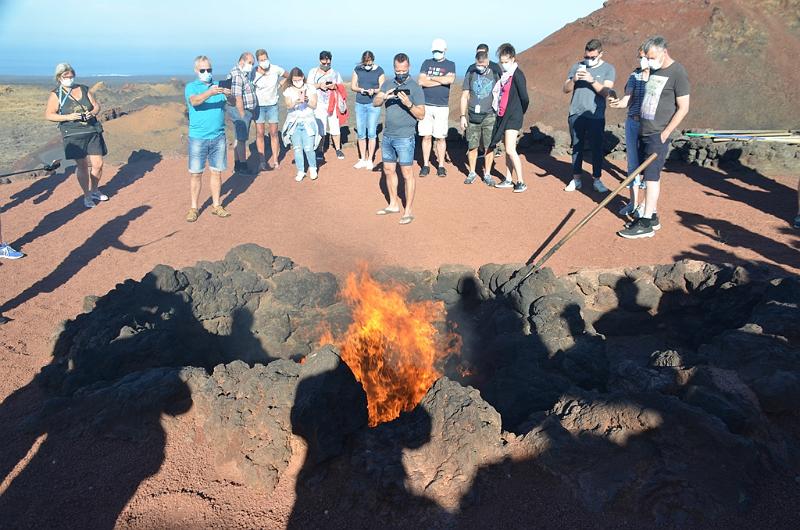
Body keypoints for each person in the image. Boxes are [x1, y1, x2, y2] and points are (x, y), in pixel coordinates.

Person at [618, 35, 690, 239]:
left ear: (663, 51)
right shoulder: (654, 71)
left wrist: (666, 132)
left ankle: (646, 222)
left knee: (651, 178)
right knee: (646, 176)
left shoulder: (677, 72)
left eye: (651, 57)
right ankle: (654, 216)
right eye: (646, 58)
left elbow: (683, 107)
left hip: (658, 134)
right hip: (644, 130)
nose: (648, 61)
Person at [44, 63, 109, 209]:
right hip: (73, 134)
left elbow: (96, 106)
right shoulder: (56, 94)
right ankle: (86, 196)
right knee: (83, 166)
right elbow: (49, 115)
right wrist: (69, 116)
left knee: (98, 164)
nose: (69, 79)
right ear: (59, 78)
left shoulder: (84, 89)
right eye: (66, 76)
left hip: (92, 131)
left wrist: (91, 113)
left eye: (71, 76)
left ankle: (95, 190)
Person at [373, 53, 425, 225]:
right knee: (388, 170)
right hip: (388, 136)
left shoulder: (415, 88)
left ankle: (408, 210)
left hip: (405, 137)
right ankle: (393, 204)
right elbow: (375, 102)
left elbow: (421, 114)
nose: (400, 73)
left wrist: (408, 103)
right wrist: (383, 96)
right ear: (394, 68)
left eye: (403, 70)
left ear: (409, 67)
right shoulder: (388, 83)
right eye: (397, 70)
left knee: (407, 173)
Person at [563, 39, 616, 193]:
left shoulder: (608, 69)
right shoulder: (577, 67)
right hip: (576, 113)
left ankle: (597, 179)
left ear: (600, 54)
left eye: (593, 58)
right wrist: (574, 79)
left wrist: (591, 80)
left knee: (596, 148)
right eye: (587, 57)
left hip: (596, 114)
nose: (589, 60)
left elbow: (607, 92)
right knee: (577, 147)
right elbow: (565, 89)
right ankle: (576, 179)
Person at [184, 55, 231, 222]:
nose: (206, 72)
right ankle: (194, 207)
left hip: (218, 136)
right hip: (198, 137)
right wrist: (210, 92)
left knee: (216, 172)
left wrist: (229, 94)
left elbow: (231, 102)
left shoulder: (219, 86)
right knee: (196, 174)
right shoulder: (192, 87)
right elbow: (195, 102)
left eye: (209, 70)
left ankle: (217, 205)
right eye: (203, 70)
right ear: (196, 71)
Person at [609, 45, 650, 216]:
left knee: (649, 168)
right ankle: (633, 203)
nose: (642, 60)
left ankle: (645, 205)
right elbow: (626, 100)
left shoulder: (659, 77)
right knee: (633, 166)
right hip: (633, 123)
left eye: (644, 56)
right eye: (639, 57)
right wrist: (615, 102)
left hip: (650, 126)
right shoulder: (634, 75)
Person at [488, 43, 530, 192]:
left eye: (506, 61)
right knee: (507, 148)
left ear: (513, 58)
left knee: (511, 149)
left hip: (513, 117)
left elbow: (524, 97)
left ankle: (521, 181)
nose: (504, 64)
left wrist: (518, 112)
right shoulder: (506, 76)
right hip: (504, 115)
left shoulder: (517, 74)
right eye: (502, 61)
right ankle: (508, 178)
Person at [460, 49, 500, 186]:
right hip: (472, 115)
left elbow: (500, 94)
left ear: (487, 62)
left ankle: (487, 173)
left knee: (489, 145)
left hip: (490, 115)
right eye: (478, 64)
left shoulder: (495, 74)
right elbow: (464, 96)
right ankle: (472, 172)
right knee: (472, 145)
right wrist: (462, 116)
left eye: (482, 64)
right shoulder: (471, 74)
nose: (480, 67)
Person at [418, 38, 456, 177]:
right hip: (426, 105)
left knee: (440, 137)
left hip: (441, 106)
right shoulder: (426, 62)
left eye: (439, 51)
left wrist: (431, 78)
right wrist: (441, 80)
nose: (436, 53)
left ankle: (441, 166)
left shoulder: (450, 64)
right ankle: (426, 165)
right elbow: (421, 81)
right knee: (426, 136)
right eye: (435, 51)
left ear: (444, 50)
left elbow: (450, 80)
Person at [282, 68, 321, 182]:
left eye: (299, 79)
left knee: (309, 148)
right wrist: (296, 102)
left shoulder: (310, 88)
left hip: (308, 122)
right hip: (294, 122)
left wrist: (307, 100)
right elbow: (288, 105)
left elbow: (314, 105)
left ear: (303, 77)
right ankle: (300, 171)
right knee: (297, 148)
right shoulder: (288, 90)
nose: (297, 82)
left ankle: (313, 168)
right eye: (294, 80)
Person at [252, 49, 288, 171]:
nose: (264, 62)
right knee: (260, 133)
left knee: (273, 133)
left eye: (265, 59)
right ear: (258, 61)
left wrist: (280, 85)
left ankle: (275, 160)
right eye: (261, 60)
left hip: (272, 105)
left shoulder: (275, 69)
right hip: (258, 106)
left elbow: (288, 76)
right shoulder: (253, 72)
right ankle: (262, 161)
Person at [351, 51, 385, 170]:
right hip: (360, 103)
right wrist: (361, 90)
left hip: (373, 105)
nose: (367, 65)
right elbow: (353, 86)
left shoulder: (379, 70)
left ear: (373, 60)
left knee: (371, 132)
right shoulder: (357, 69)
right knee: (361, 133)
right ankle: (362, 159)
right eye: (366, 62)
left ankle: (370, 159)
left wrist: (373, 91)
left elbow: (382, 87)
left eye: (369, 62)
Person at [308, 51, 345, 160]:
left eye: (328, 63)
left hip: (332, 103)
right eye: (323, 63)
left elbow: (341, 86)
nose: (326, 65)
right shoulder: (313, 72)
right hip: (318, 103)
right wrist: (319, 85)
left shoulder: (335, 73)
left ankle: (338, 148)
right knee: (321, 127)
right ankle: (320, 150)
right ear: (320, 60)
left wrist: (334, 86)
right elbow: (308, 86)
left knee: (335, 125)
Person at [227, 52, 257, 175]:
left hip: (242, 110)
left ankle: (238, 164)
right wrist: (242, 114)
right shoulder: (238, 75)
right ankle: (243, 166)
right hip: (241, 110)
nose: (251, 66)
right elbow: (238, 97)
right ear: (241, 62)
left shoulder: (242, 74)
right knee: (241, 139)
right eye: (250, 63)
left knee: (238, 138)